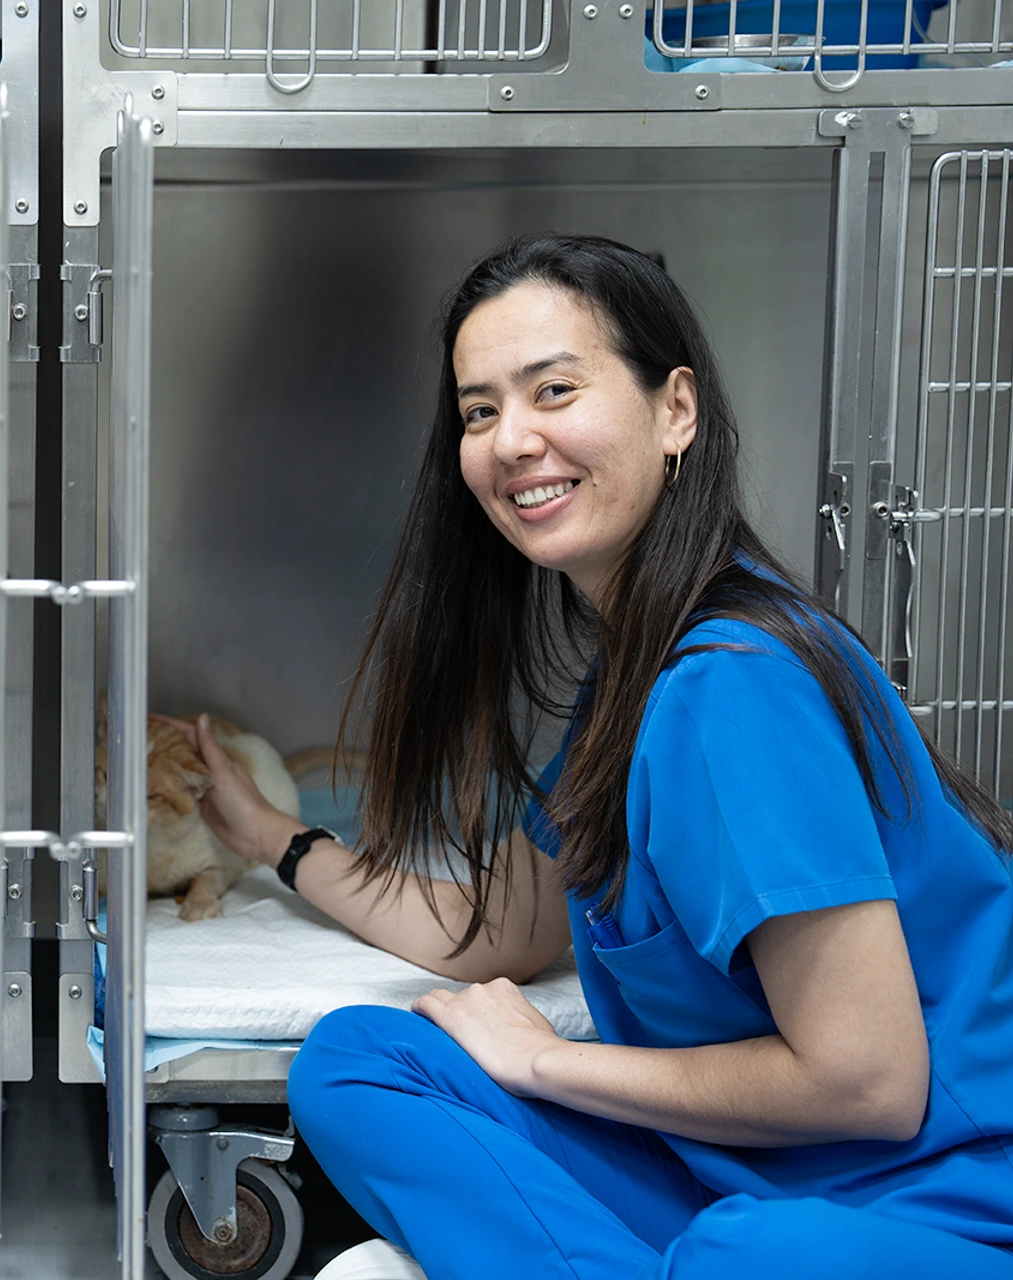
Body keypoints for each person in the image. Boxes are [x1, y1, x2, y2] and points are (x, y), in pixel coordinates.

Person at [169, 235, 1013, 1279]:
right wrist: (272, 839)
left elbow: (869, 1083)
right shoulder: (632, 679)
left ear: (676, 411)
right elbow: (493, 932)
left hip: (927, 1209)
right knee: (357, 1061)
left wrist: (550, 1062)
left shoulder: (735, 683)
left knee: (743, 1254)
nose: (513, 439)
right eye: (480, 411)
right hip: (731, 1174)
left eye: (554, 390)